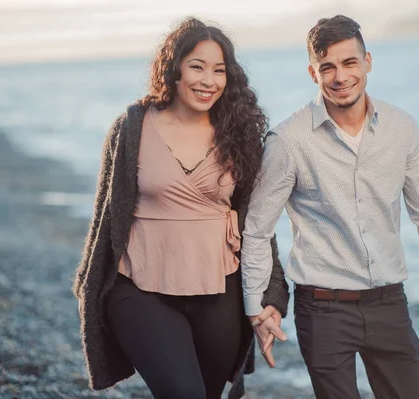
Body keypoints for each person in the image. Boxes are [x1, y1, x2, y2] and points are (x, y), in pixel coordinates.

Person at [242, 15, 419, 398]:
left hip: (389, 304)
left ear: (368, 62)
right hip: (323, 310)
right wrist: (255, 305)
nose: (340, 76)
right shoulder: (288, 140)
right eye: (327, 67)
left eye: (349, 63)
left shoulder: (402, 128)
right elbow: (258, 229)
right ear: (313, 73)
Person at [72, 17, 289, 399]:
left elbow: (257, 225)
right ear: (173, 70)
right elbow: (106, 215)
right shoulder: (132, 127)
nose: (209, 80)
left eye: (219, 70)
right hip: (139, 287)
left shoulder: (238, 132)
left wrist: (270, 297)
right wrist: (89, 284)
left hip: (219, 288)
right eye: (197, 67)